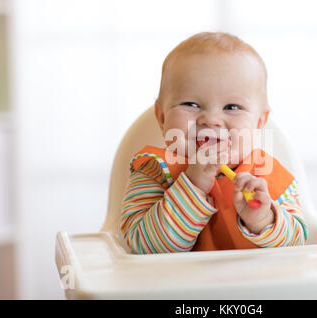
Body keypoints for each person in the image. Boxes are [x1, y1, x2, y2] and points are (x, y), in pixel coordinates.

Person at [120, 32, 307, 254]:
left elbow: (297, 249)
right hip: (175, 287)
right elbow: (144, 247)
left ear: (259, 123)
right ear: (162, 118)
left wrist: (263, 219)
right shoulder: (155, 170)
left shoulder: (269, 178)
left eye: (232, 107)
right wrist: (193, 185)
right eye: (191, 104)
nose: (211, 120)